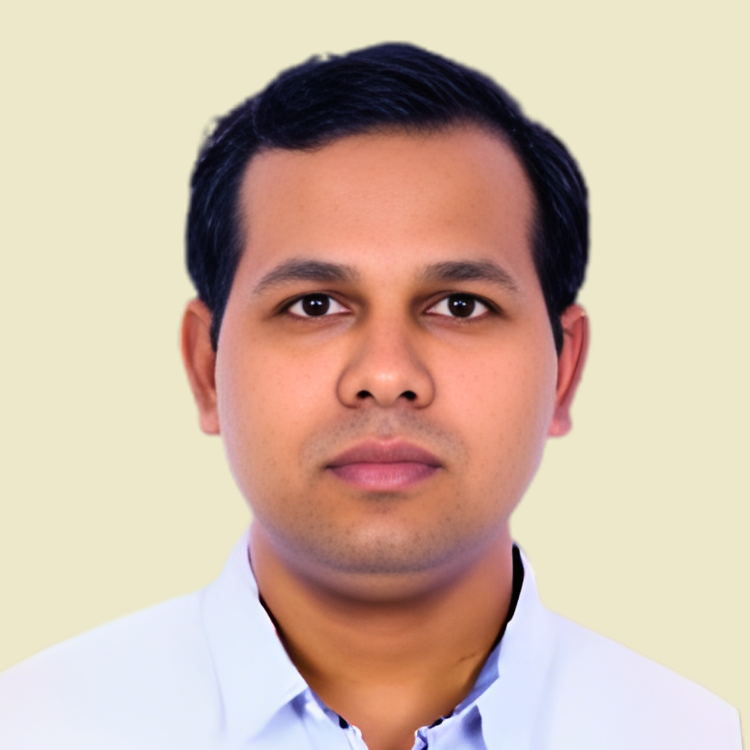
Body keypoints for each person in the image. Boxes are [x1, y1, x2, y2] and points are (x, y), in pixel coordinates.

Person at [0, 43, 742, 750]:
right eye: (314, 305)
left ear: (564, 371)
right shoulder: (37, 728)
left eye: (459, 306)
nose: (386, 375)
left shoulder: (694, 734)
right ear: (206, 367)